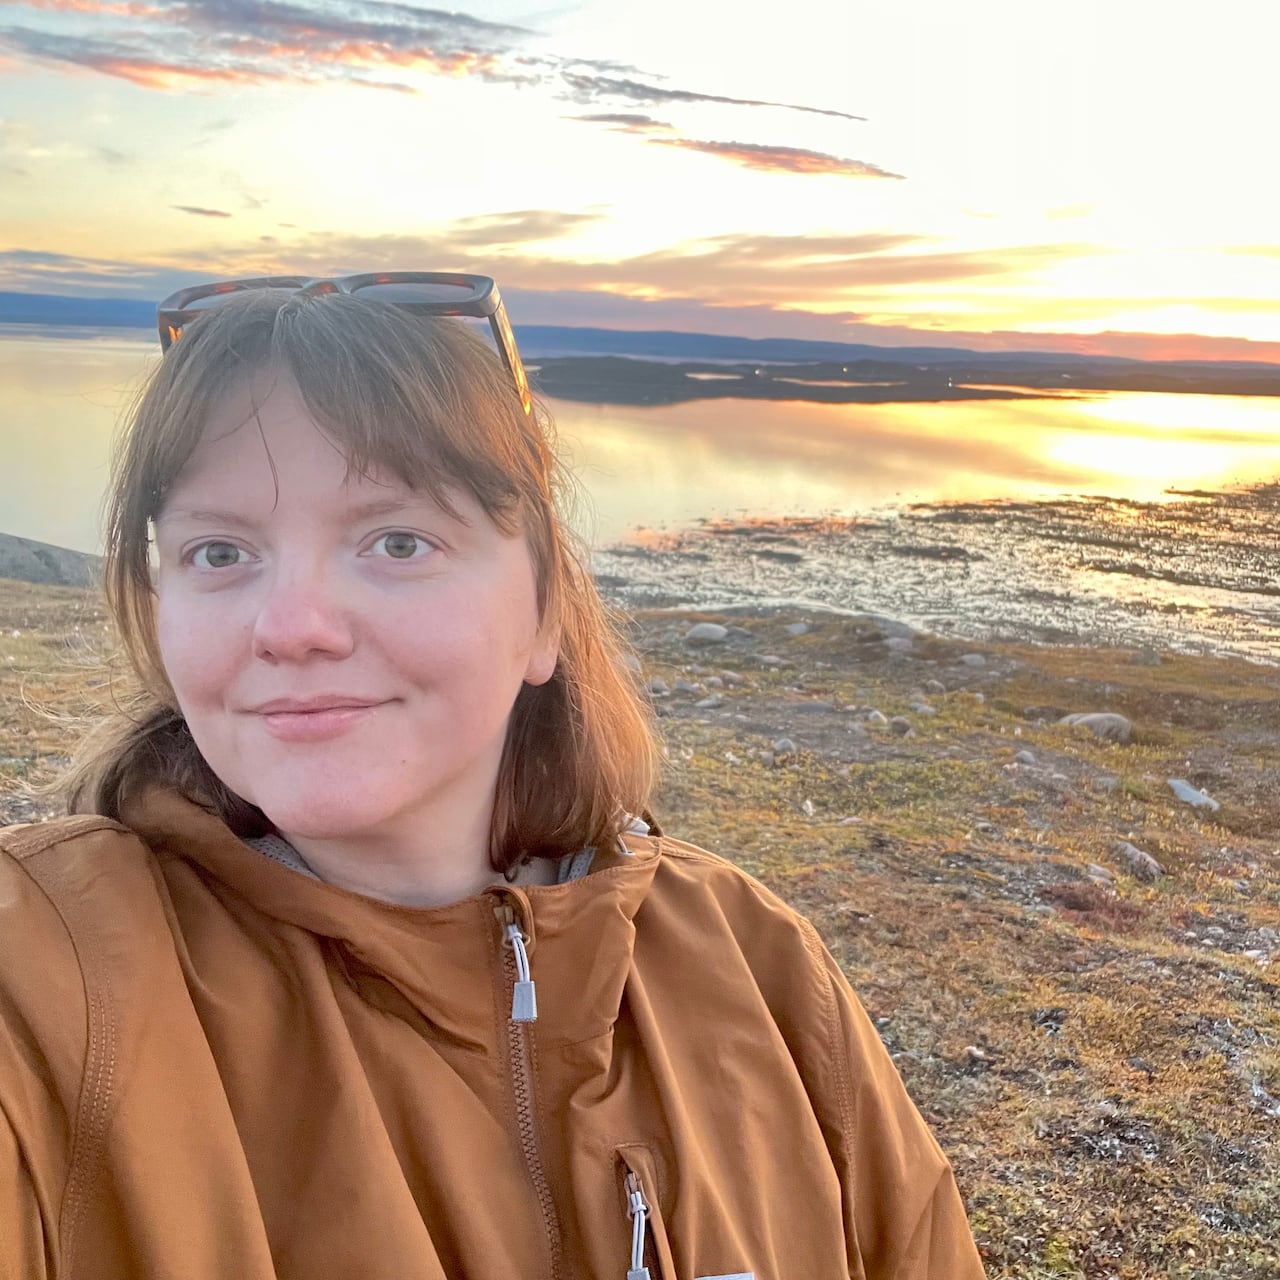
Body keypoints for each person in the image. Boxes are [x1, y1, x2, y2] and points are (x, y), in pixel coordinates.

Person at [0, 274, 986, 1279]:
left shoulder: (756, 966)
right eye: (219, 551)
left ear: (545, 611)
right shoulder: (49, 974)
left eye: (396, 540)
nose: (290, 623)